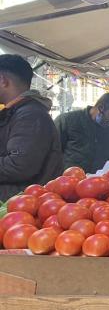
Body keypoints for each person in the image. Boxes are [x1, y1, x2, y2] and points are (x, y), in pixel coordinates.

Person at [0, 54, 63, 201]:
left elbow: (19, 165)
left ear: (2, 80)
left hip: (21, 204)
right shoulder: (16, 112)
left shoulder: (30, 115)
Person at [55, 92, 109, 174]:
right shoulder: (67, 121)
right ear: (101, 108)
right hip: (69, 178)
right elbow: (53, 152)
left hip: (98, 180)